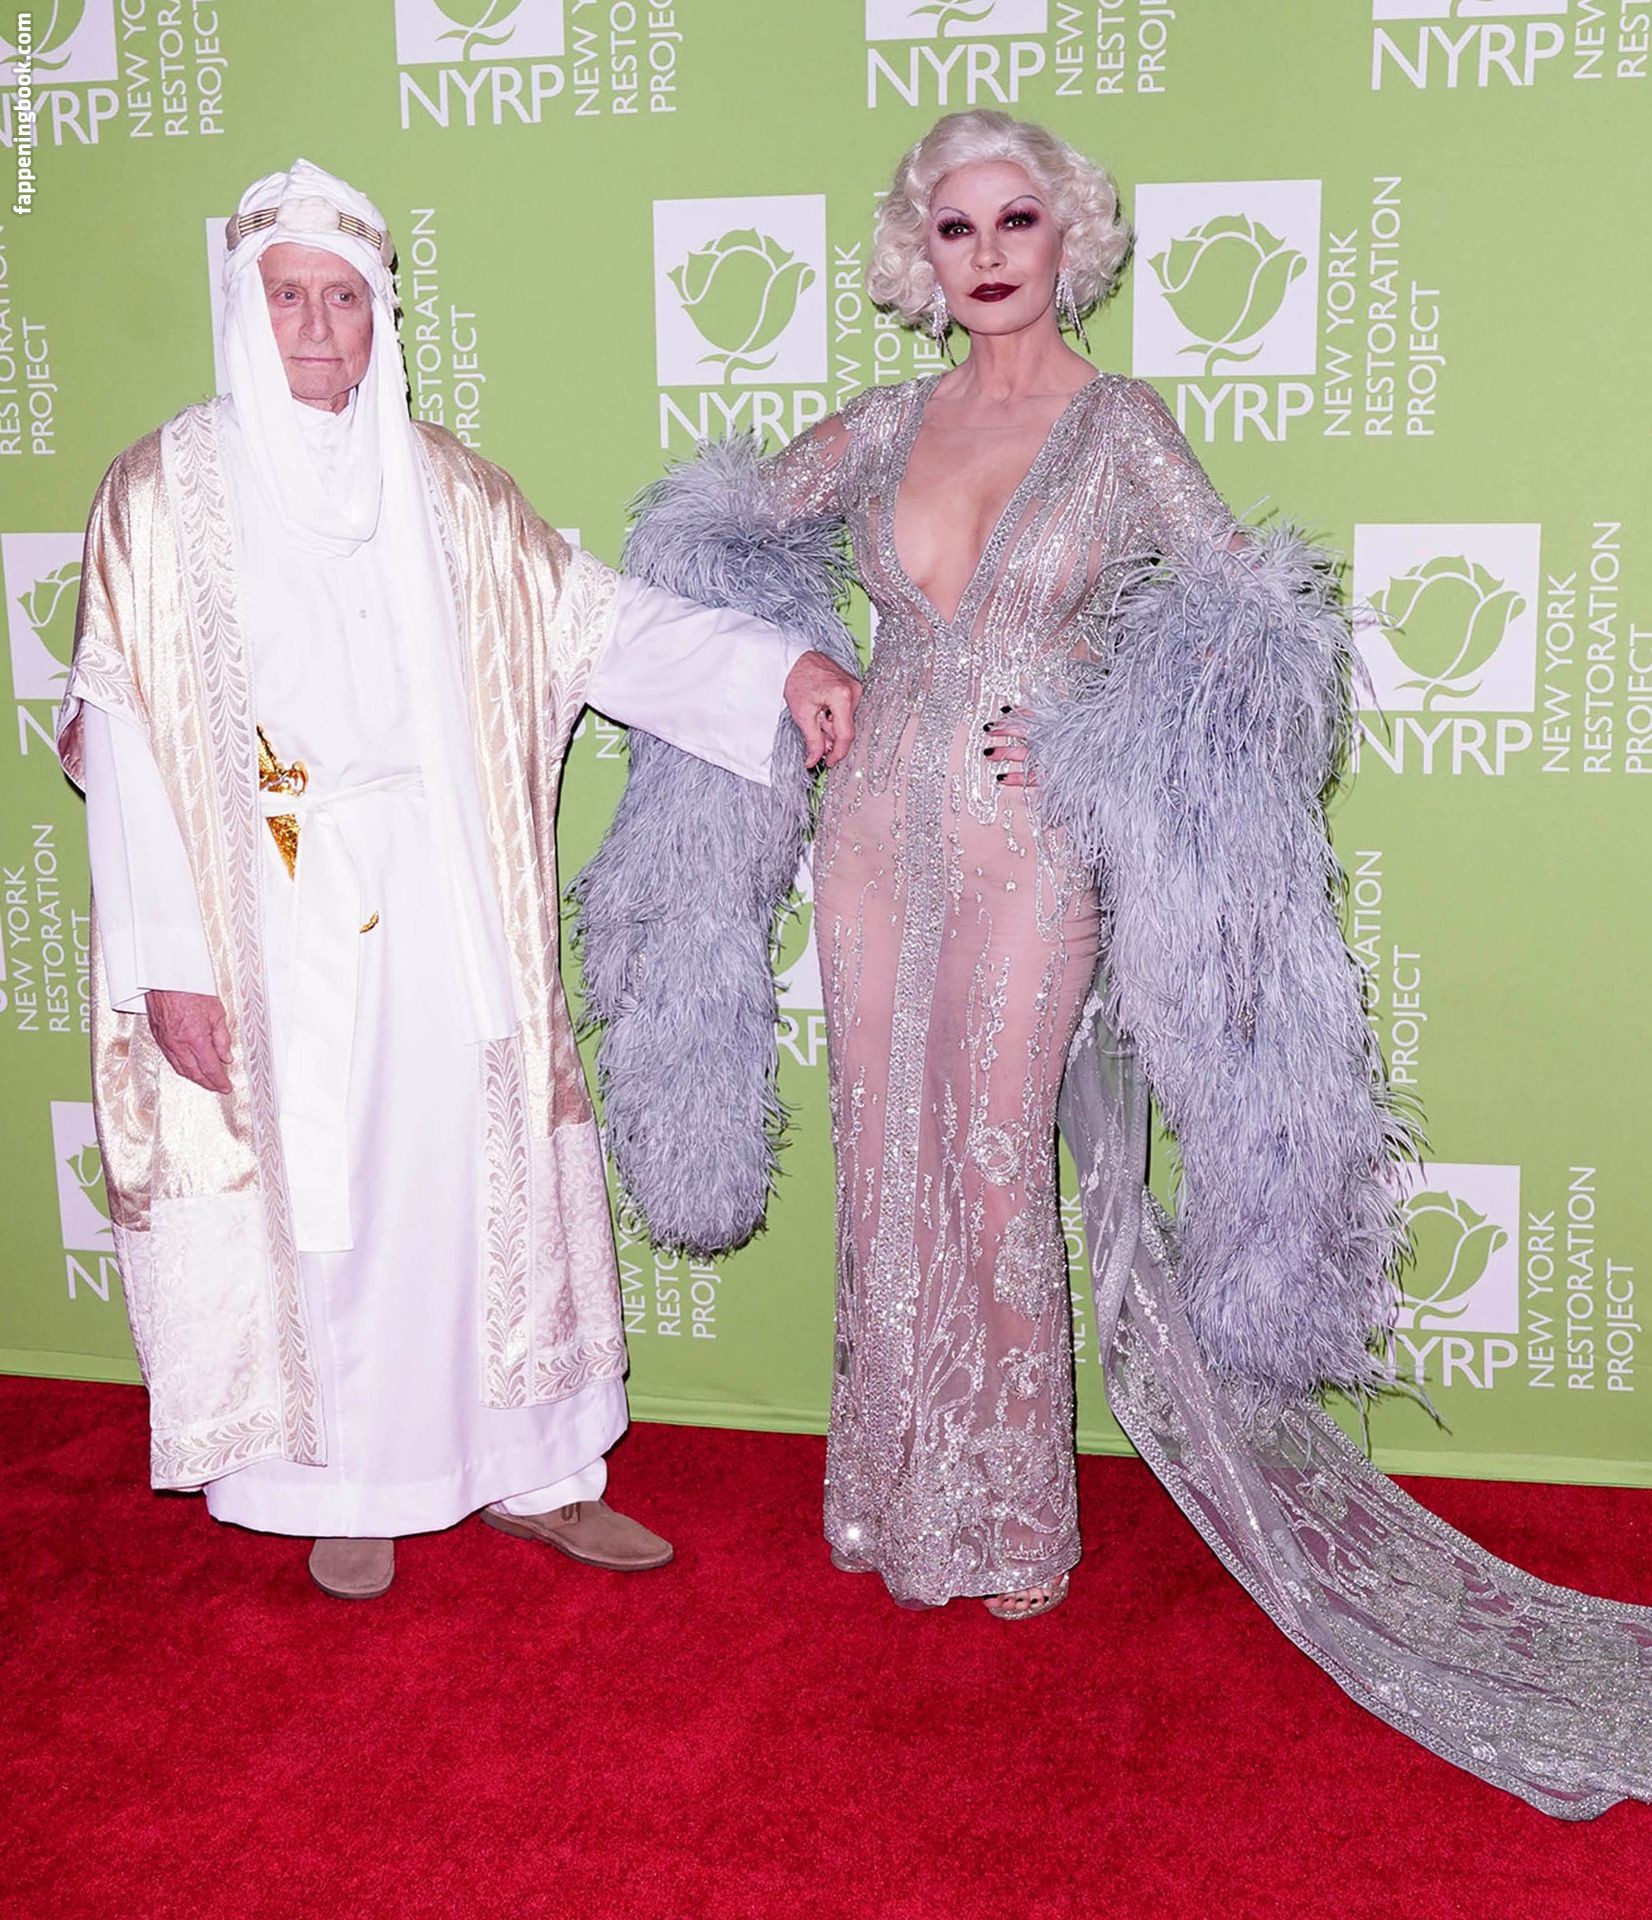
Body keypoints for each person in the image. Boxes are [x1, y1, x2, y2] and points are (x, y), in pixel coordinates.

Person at [580, 112, 1652, 1816]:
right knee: (884, 1148)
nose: (988, 252)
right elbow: (702, 545)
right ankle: (890, 1497)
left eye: (1017, 219)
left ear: (1066, 236)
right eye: (955, 227)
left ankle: (1008, 1514)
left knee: (994, 1158)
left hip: (1031, 848)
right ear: (918, 254)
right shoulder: (883, 424)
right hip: (871, 837)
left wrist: (1100, 733)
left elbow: (1257, 636)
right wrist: (788, 668)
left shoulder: (1122, 428)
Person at [58, 159, 860, 1601]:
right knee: (329, 1197)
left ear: (381, 317)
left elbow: (598, 626)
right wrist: (170, 961)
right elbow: (118, 734)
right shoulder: (159, 494)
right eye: (288, 297)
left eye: (344, 299)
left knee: (472, 1180)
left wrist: (775, 666)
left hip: (444, 897)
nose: (317, 327)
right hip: (264, 914)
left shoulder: (449, 492)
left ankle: (534, 1472)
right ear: (241, 306)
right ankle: (345, 1483)